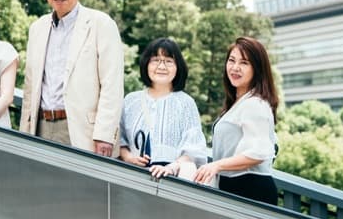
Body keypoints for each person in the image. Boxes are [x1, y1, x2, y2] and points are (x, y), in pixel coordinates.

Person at [18, 0, 124, 156]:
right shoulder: (37, 28)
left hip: (81, 131)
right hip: (40, 127)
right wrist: (25, 133)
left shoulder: (101, 24)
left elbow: (112, 84)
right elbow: (30, 88)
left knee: (81, 187)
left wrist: (104, 135)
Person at [194, 36, 281, 204]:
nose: (235, 67)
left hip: (250, 190)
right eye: (231, 60)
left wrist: (216, 165)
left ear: (257, 69)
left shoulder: (254, 104)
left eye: (244, 63)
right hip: (233, 187)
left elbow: (259, 152)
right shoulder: (238, 103)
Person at [119, 38, 207, 180]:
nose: (162, 66)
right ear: (146, 64)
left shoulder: (185, 103)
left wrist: (170, 168)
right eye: (156, 60)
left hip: (171, 180)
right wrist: (128, 157)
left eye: (168, 61)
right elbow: (118, 138)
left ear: (178, 67)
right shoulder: (131, 100)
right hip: (132, 177)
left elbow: (193, 149)